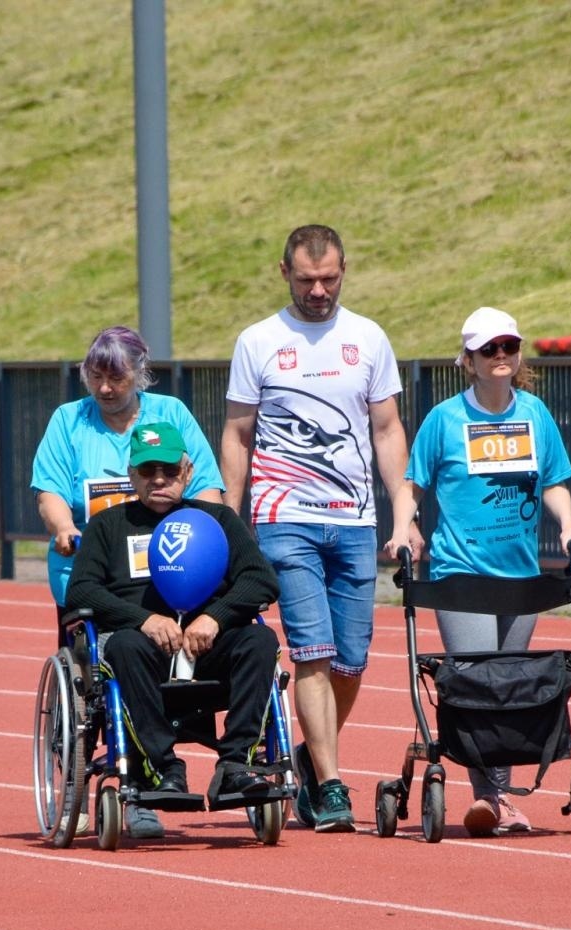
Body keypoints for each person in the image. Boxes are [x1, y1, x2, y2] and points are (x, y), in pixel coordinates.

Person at [220, 224, 419, 833]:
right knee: (312, 651)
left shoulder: (368, 337)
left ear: (344, 270)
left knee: (351, 662)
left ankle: (309, 758)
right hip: (284, 519)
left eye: (329, 278)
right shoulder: (258, 341)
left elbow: (386, 429)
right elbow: (238, 434)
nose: (318, 290)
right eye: (307, 280)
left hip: (354, 521)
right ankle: (331, 786)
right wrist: (228, 521)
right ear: (285, 273)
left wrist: (404, 513)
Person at [385, 307, 571, 836]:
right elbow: (413, 484)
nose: (501, 356)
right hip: (461, 573)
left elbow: (554, 481)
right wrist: (403, 528)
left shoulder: (535, 414)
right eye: (489, 349)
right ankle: (491, 797)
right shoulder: (445, 419)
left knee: (512, 684)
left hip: (519, 576)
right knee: (479, 681)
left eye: (508, 347)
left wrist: (568, 524)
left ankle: (498, 796)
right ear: (468, 359)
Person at [65, 422, 281, 839]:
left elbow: (261, 579)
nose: (159, 479)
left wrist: (215, 617)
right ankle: (163, 768)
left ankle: (236, 764)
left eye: (169, 470)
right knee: (124, 647)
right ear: (132, 475)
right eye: (148, 471)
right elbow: (82, 590)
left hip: (208, 647)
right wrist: (142, 619)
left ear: (187, 471)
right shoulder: (108, 526)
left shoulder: (218, 519)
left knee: (261, 639)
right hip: (142, 650)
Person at [32, 325, 226, 627]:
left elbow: (205, 489)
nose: (104, 388)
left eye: (116, 378)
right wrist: (64, 527)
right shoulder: (68, 420)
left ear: (139, 372)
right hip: (93, 572)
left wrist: (212, 536)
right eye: (96, 377)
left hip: (172, 566)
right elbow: (50, 491)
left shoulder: (171, 413)